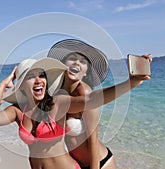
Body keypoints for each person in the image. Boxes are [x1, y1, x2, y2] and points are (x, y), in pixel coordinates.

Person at [0, 52, 151, 169]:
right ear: (21, 86)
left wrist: (130, 83)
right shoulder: (17, 111)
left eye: (42, 75)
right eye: (30, 77)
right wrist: (2, 85)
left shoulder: (57, 103)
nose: (38, 80)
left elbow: (92, 100)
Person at [47, 39, 116, 169]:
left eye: (83, 62)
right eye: (72, 58)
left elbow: (93, 139)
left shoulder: (85, 93)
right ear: (62, 64)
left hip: (100, 163)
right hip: (77, 164)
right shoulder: (57, 93)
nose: (77, 62)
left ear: (85, 72)